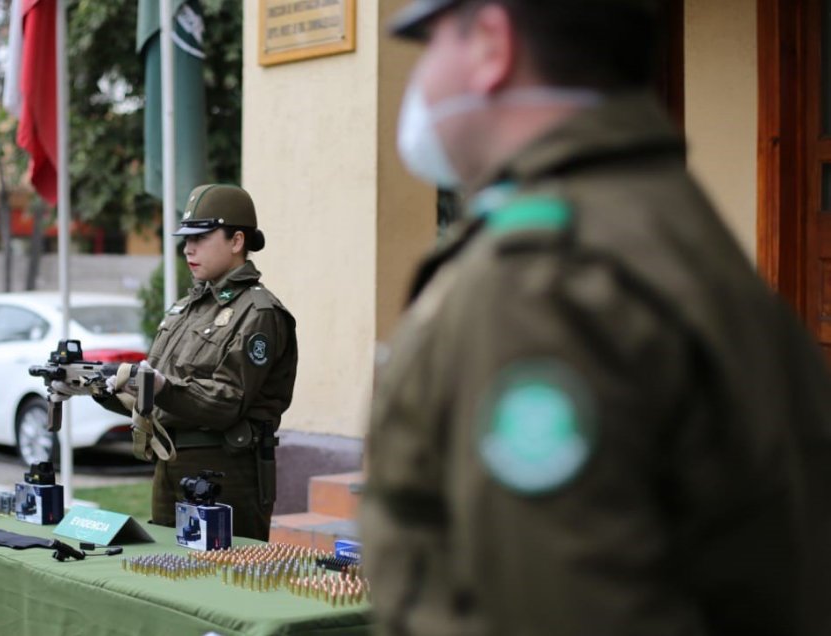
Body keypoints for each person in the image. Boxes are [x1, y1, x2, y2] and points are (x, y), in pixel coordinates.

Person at [361, 1, 831, 634]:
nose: (420, 80)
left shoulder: (540, 281)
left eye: (430, 41)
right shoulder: (662, 221)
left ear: (492, 44)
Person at [94, 184, 297, 541]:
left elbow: (227, 402)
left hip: (225, 469)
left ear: (236, 241)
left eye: (201, 237)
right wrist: (100, 386)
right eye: (187, 238)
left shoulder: (258, 312)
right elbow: (154, 392)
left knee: (228, 571)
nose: (188, 248)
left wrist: (161, 388)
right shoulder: (186, 308)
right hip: (170, 462)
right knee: (166, 566)